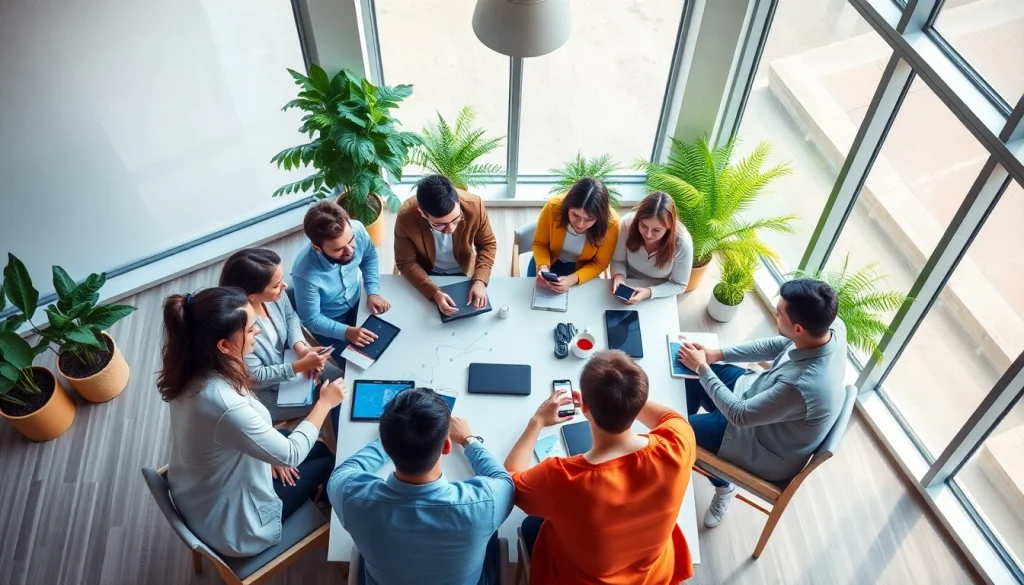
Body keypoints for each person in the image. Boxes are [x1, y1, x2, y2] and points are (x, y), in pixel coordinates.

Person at [158, 286, 346, 557]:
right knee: (332, 462)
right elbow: (291, 454)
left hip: (198, 491)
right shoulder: (223, 403)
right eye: (249, 329)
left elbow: (239, 432)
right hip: (235, 525)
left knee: (318, 449)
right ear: (223, 345)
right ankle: (326, 505)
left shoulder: (193, 369)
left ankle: (314, 488)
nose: (257, 330)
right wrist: (325, 402)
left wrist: (268, 457)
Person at [504, 350, 695, 585]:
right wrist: (626, 394)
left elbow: (509, 480)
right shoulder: (679, 443)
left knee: (530, 524)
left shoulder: (562, 478)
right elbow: (669, 416)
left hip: (580, 579)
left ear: (584, 407)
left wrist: (538, 421)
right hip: (654, 575)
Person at [675, 278, 846, 529]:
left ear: (798, 328)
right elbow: (778, 345)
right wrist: (716, 355)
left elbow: (739, 415)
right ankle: (681, 443)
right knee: (684, 375)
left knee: (678, 432)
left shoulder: (803, 385)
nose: (774, 314)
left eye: (778, 313)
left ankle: (723, 484)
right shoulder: (830, 328)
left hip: (756, 444)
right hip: (755, 395)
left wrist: (702, 367)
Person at [328, 388, 514, 585]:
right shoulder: (484, 503)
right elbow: (503, 479)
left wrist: (396, 436)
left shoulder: (350, 497)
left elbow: (344, 471)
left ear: (386, 443)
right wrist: (469, 440)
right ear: (446, 446)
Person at [219, 248, 339, 423]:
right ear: (251, 297)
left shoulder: (276, 296)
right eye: (276, 285)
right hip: (265, 391)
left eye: (281, 280)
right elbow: (256, 377)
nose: (284, 286)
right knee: (327, 399)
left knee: (341, 380)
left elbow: (290, 317)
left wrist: (300, 348)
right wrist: (298, 366)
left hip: (290, 360)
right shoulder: (238, 331)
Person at [291, 201, 390, 352]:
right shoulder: (304, 275)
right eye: (338, 249)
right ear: (317, 248)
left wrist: (373, 290)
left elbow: (369, 256)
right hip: (332, 323)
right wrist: (346, 332)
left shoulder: (356, 228)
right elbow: (311, 319)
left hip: (361, 300)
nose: (350, 251)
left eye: (351, 241)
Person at [394, 174, 497, 317]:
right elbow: (405, 262)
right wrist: (434, 292)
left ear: (458, 203)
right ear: (422, 213)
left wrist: (480, 281)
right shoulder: (406, 216)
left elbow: (487, 244)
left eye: (456, 220)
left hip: (465, 272)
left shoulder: (475, 205)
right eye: (440, 224)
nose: (450, 229)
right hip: (425, 274)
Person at [531, 178, 619, 294]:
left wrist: (572, 280)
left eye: (589, 219)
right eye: (575, 215)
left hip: (582, 271)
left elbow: (599, 263)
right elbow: (540, 243)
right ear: (567, 207)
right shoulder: (553, 207)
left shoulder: (611, 224)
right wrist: (543, 267)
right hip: (547, 260)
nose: (580, 224)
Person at [610, 191, 693, 303]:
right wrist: (618, 278)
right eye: (643, 226)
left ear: (669, 227)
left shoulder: (682, 242)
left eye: (656, 230)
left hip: (659, 289)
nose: (648, 235)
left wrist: (648, 292)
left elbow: (679, 284)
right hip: (627, 280)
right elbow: (618, 260)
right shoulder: (627, 224)